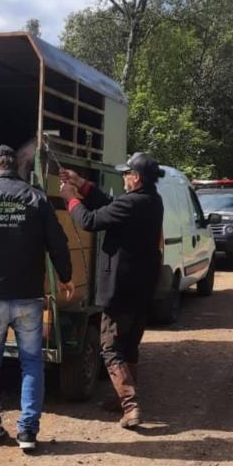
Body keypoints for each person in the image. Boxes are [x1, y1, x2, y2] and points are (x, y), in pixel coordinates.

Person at [0, 144, 74, 451]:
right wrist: (65, 277)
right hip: (28, 297)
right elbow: (58, 242)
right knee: (32, 363)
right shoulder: (36, 198)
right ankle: (27, 433)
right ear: (15, 167)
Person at [59, 153, 164, 429]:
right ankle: (124, 399)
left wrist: (71, 198)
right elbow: (111, 206)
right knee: (129, 346)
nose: (124, 178)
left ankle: (130, 407)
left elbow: (91, 221)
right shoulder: (152, 201)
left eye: (126, 174)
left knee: (110, 347)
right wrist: (82, 184)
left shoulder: (133, 203)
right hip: (142, 289)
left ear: (137, 177)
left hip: (121, 290)